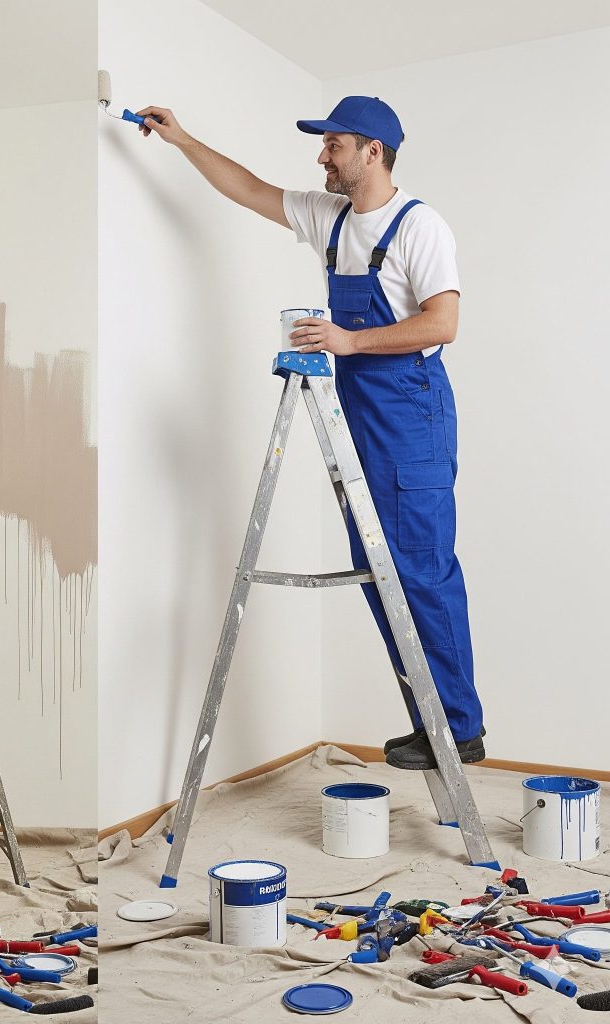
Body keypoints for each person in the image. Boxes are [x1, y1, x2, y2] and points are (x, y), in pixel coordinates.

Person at [136, 96, 484, 770]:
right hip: (363, 416)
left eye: (334, 145)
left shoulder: (420, 227)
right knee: (378, 572)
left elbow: (443, 323)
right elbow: (248, 189)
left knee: (421, 569)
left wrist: (350, 340)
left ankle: (460, 728)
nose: (321, 156)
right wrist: (183, 140)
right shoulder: (330, 217)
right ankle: (430, 721)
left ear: (372, 152)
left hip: (413, 415)